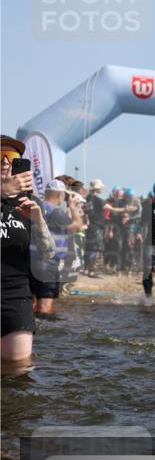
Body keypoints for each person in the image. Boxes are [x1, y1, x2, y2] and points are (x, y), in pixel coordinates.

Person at [1, 136, 54, 364]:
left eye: (12, 157)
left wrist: (39, 221)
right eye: (0, 155)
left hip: (15, 295)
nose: (5, 162)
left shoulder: (30, 202)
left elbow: (49, 251)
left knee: (18, 369)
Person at [29, 180, 85, 315]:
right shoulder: (56, 212)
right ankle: (46, 327)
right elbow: (78, 226)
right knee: (45, 308)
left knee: (32, 304)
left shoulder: (36, 208)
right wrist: (73, 207)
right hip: (48, 264)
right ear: (60, 195)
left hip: (32, 261)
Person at [83, 179, 106, 277]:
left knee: (89, 247)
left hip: (90, 226)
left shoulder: (87, 198)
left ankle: (86, 269)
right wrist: (124, 209)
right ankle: (91, 270)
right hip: (96, 226)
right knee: (95, 248)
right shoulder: (99, 200)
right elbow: (108, 207)